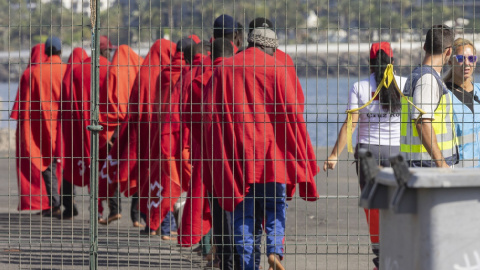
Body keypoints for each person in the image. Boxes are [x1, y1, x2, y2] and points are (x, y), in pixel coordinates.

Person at [204, 27, 319, 270]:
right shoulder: (276, 68)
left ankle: (248, 266)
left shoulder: (225, 68)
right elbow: (292, 113)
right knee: (275, 206)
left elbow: (209, 112)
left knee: (243, 215)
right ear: (269, 48)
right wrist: (302, 152)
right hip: (271, 155)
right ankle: (275, 250)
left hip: (239, 155)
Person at [324, 42, 406, 269]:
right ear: (392, 60)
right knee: (397, 204)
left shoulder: (359, 87)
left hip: (367, 153)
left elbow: (350, 124)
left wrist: (333, 155)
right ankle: (398, 255)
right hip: (395, 152)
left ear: (370, 62)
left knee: (373, 207)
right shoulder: (403, 84)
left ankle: (380, 260)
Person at [12, 37, 66, 217]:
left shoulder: (34, 72)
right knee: (66, 163)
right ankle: (68, 203)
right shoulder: (66, 70)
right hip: (63, 126)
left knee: (47, 165)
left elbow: (26, 105)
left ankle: (55, 203)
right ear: (60, 51)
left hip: (43, 126)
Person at [98, 44, 143, 226]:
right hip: (134, 128)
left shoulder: (113, 72)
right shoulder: (138, 69)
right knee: (136, 169)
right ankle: (137, 215)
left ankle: (115, 209)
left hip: (116, 130)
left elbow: (107, 100)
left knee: (114, 169)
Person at [401, 25, 457, 168]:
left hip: (422, 162)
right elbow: (422, 121)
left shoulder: (417, 75)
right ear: (448, 51)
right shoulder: (428, 80)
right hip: (428, 165)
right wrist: (441, 163)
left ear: (425, 47)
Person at [11, 43, 49, 213]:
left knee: (30, 165)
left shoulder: (28, 73)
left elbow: (19, 107)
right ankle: (52, 201)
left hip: (29, 127)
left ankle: (32, 202)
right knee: (51, 164)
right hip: (51, 126)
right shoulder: (54, 71)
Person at [56, 47, 88, 219]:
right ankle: (97, 209)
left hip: (67, 132)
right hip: (84, 129)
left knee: (67, 168)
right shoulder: (84, 75)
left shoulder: (67, 77)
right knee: (90, 165)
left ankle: (68, 205)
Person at [443, 38, 480, 168]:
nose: (466, 63)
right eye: (460, 58)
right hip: (459, 172)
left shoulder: (479, 91)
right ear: (450, 61)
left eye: (471, 59)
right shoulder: (444, 95)